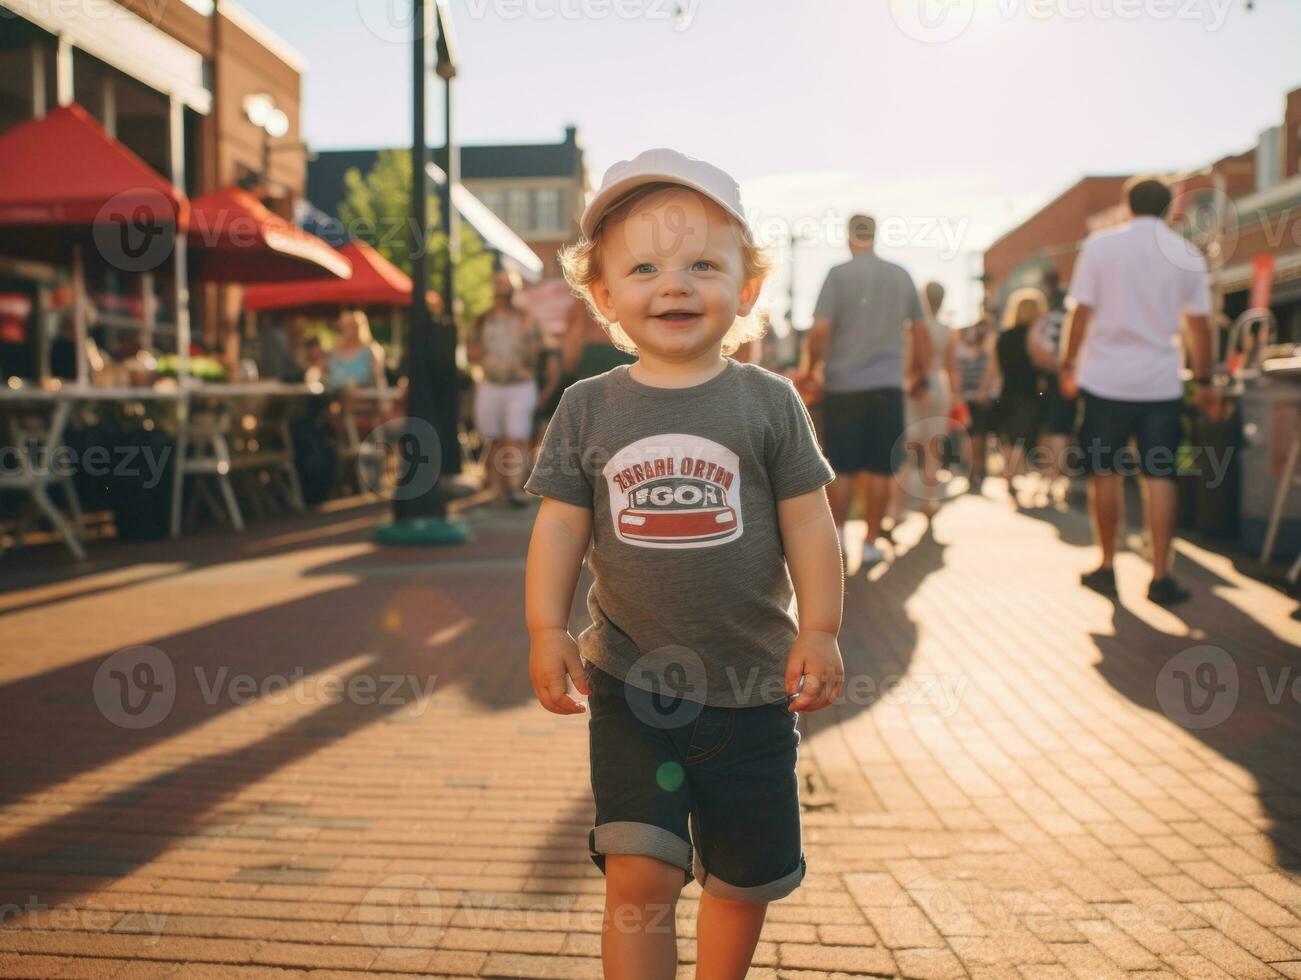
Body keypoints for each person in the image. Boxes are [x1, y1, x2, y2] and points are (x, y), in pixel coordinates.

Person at [524, 148, 842, 980]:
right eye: (643, 267)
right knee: (640, 869)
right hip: (632, 684)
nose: (673, 284)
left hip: (752, 689)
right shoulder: (586, 406)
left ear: (746, 288)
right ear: (603, 296)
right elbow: (559, 529)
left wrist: (822, 628)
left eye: (702, 263)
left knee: (743, 882)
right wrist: (543, 625)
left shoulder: (767, 401)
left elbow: (809, 522)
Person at [1061, 176, 1218, 606]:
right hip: (1161, 383)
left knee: (1105, 474)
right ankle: (1161, 576)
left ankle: (1108, 566)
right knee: (1160, 477)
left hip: (1104, 381)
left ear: (1127, 206)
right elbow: (1199, 325)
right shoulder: (1186, 253)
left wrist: (1068, 364)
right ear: (1169, 209)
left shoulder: (1100, 246)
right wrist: (1204, 381)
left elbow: (1081, 312)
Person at [804, 214, 931, 568]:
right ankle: (872, 540)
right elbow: (920, 331)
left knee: (840, 466)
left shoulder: (838, 274)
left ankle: (840, 536)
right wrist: (922, 373)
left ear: (848, 237)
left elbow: (819, 330)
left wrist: (811, 369)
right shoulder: (900, 275)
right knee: (879, 467)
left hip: (843, 385)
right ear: (875, 235)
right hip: (887, 385)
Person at [468, 268, 543, 507]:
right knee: (493, 438)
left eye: (506, 284)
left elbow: (540, 348)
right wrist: (482, 360)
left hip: (520, 386)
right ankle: (496, 489)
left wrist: (529, 367)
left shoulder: (526, 318)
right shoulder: (482, 320)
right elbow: (470, 349)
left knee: (517, 436)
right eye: (499, 283)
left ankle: (514, 489)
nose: (502, 288)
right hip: (490, 384)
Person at [893, 280, 958, 522]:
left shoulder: (911, 328)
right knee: (932, 447)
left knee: (906, 449)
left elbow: (906, 360)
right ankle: (929, 500)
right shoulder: (945, 328)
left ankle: (897, 508)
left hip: (913, 386)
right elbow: (952, 368)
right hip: (938, 386)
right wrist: (957, 397)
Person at [985, 287, 1046, 503]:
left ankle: (1009, 475)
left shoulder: (1003, 337)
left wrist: (985, 390)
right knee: (1021, 435)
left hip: (1007, 391)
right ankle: (1012, 473)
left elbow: (993, 368)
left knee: (1008, 437)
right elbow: (1041, 364)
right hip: (1029, 392)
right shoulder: (1036, 336)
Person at [1028, 269, 1077, 501]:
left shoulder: (1046, 321)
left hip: (1052, 378)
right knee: (1062, 428)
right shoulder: (1069, 318)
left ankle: (1052, 474)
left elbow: (1036, 351)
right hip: (1069, 376)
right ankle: (1055, 474)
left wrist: (1053, 366)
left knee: (1054, 427)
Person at [954, 308, 998, 491]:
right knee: (974, 435)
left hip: (980, 396)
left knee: (977, 434)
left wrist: (984, 390)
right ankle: (976, 468)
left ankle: (977, 469)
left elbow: (991, 370)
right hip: (970, 395)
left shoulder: (988, 346)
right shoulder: (963, 346)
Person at [326, 309, 386, 389]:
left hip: (364, 399)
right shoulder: (334, 351)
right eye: (344, 326)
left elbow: (379, 379)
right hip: (336, 399)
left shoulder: (372, 350)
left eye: (351, 326)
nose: (347, 330)